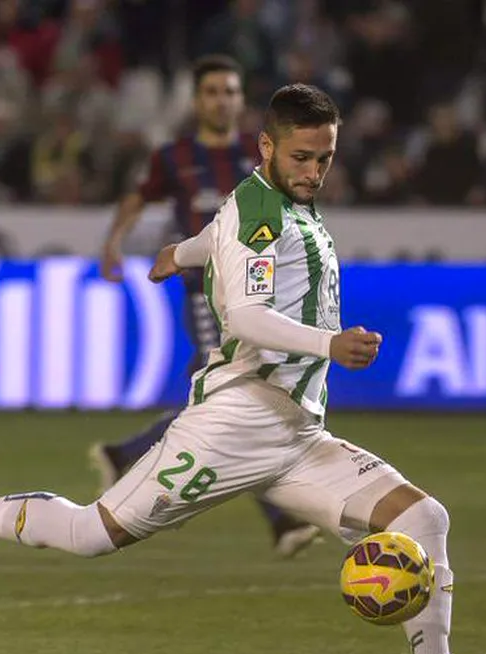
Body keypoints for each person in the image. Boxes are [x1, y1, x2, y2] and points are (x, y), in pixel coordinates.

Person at [0, 84, 486, 654]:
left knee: (422, 519)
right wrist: (329, 343)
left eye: (324, 157)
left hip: (297, 434)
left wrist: (180, 253)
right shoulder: (262, 210)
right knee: (91, 534)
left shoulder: (267, 204)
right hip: (235, 422)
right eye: (301, 157)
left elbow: (219, 236)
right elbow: (244, 317)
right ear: (266, 148)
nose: (314, 170)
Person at [95, 54, 319, 557]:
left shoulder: (257, 153)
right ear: (197, 101)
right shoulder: (174, 157)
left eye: (231, 91)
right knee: (244, 397)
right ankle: (282, 518)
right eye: (213, 91)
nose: (222, 100)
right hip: (206, 295)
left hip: (259, 293)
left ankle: (127, 454)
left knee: (229, 401)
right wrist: (113, 243)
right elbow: (137, 199)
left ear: (242, 100)